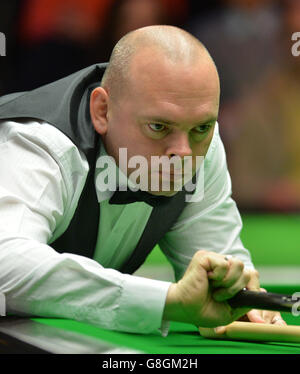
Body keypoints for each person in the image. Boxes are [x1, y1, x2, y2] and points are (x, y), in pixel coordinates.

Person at [0, 25, 285, 335]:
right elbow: (6, 266)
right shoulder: (40, 146)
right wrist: (163, 300)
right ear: (102, 111)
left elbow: (221, 266)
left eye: (202, 128)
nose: (182, 153)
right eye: (159, 127)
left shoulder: (196, 143)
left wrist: (237, 296)